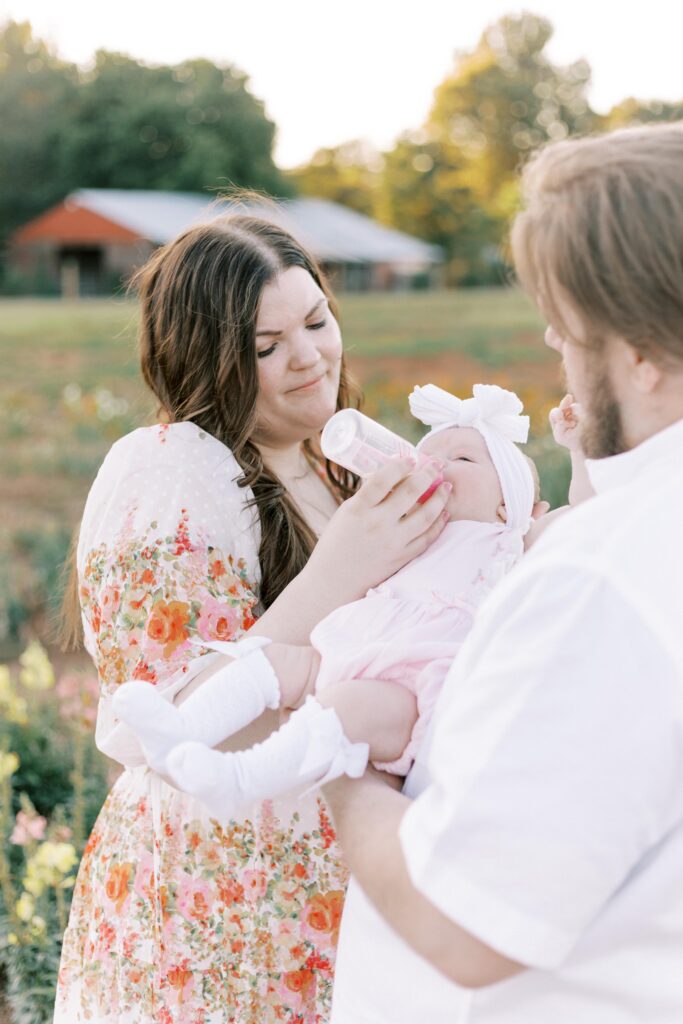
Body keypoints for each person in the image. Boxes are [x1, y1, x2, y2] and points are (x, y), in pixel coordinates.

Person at [322, 120, 683, 1024]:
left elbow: (463, 927)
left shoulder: (603, 577)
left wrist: (339, 762)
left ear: (639, 352)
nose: (556, 355)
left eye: (566, 333)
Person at [53, 214, 449, 1024]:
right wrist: (338, 571)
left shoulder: (341, 458)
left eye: (316, 321)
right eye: (267, 347)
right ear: (207, 359)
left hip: (342, 890)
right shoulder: (171, 470)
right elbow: (153, 725)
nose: (309, 357)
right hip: (217, 914)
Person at [111, 382, 544, 817]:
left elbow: (588, 516)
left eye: (463, 459)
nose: (435, 465)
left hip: (416, 692)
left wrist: (578, 454)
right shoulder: (409, 531)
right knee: (276, 660)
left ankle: (240, 779)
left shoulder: (506, 541)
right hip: (361, 651)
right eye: (430, 452)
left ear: (509, 506)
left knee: (343, 708)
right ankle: (183, 730)